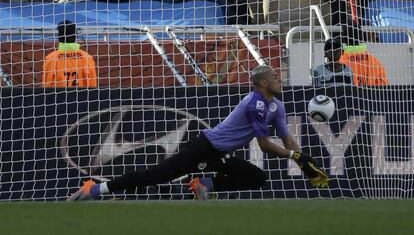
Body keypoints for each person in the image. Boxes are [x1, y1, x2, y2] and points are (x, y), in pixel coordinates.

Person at [68, 65, 329, 201]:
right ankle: (96, 188)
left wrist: (300, 157)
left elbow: (286, 139)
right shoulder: (255, 103)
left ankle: (203, 184)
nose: (280, 80)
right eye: (275, 78)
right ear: (262, 83)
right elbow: (263, 145)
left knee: (257, 177)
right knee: (156, 175)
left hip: (218, 153)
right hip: (203, 147)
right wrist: (295, 155)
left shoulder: (277, 105)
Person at [43, 20, 97, 87]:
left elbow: (47, 86)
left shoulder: (50, 58)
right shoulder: (87, 58)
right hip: (81, 96)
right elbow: (93, 84)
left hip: (59, 97)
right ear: (75, 36)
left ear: (59, 37)